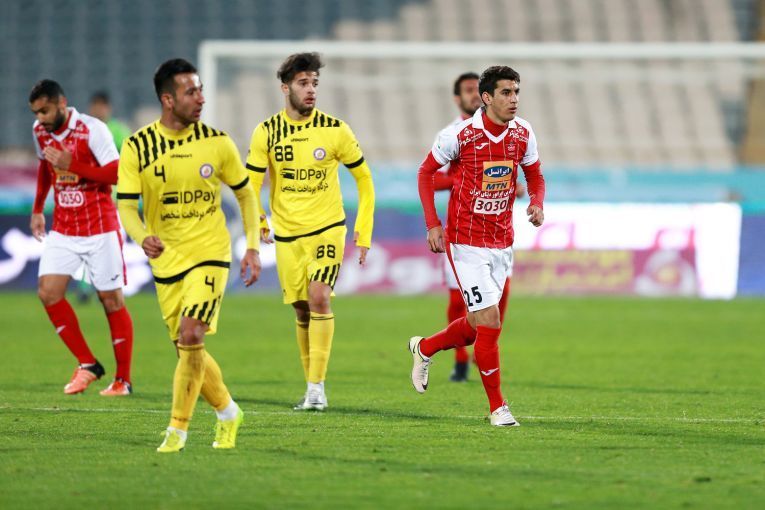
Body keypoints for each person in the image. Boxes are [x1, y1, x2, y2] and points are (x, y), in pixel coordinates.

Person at [117, 58, 262, 452]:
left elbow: (246, 194)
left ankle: (177, 431)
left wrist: (251, 245)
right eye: (190, 92)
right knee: (187, 347)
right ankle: (228, 412)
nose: (200, 98)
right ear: (168, 99)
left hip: (210, 252)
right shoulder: (138, 146)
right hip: (166, 260)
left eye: (200, 90)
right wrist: (141, 236)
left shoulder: (217, 142)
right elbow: (126, 205)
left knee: (192, 332)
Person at [411, 66, 546, 426]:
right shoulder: (460, 135)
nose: (514, 99)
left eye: (516, 92)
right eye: (506, 93)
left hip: (502, 241)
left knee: (477, 326)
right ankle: (498, 408)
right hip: (466, 242)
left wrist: (537, 202)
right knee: (490, 320)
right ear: (487, 98)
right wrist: (433, 224)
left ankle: (424, 347)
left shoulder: (523, 132)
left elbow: (534, 174)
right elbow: (425, 173)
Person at [246, 52, 375, 411]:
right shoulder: (266, 132)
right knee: (302, 310)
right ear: (285, 87)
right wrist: (259, 220)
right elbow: (249, 184)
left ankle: (317, 390)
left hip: (327, 228)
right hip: (287, 235)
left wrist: (363, 229)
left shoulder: (335, 130)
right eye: (303, 83)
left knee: (319, 297)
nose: (311, 89)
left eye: (315, 83)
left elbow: (364, 179)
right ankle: (311, 387)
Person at [28, 79, 134, 396]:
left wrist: (72, 164)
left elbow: (116, 173)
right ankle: (87, 363)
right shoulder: (40, 131)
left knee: (111, 300)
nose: (41, 118)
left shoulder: (93, 130)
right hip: (64, 227)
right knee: (48, 293)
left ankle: (123, 380)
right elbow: (45, 168)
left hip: (100, 227)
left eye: (45, 111)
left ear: (62, 104)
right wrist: (38, 208)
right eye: (36, 113)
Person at [432, 72, 521, 383]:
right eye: (467, 91)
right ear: (458, 98)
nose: (472, 95)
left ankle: (482, 351)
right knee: (458, 300)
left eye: (475, 89)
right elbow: (431, 176)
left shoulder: (510, 132)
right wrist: (460, 180)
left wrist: (517, 188)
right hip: (464, 234)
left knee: (499, 298)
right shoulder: (452, 134)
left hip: (498, 233)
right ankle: (460, 360)